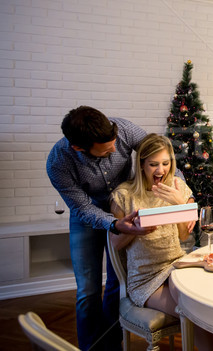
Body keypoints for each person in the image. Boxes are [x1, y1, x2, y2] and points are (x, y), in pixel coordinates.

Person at [47, 106, 155, 350]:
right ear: (78, 148)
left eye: (114, 143)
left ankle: (111, 342)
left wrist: (183, 189)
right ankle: (90, 347)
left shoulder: (124, 129)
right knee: (88, 289)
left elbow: (158, 151)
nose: (116, 150)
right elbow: (83, 208)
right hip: (86, 218)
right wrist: (115, 224)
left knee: (117, 282)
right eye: (106, 151)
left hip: (123, 209)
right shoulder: (58, 163)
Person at [109, 134, 213, 351]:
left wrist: (180, 204)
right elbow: (115, 244)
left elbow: (182, 237)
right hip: (146, 278)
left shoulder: (177, 188)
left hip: (176, 266)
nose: (160, 170)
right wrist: (136, 230)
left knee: (203, 308)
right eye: (153, 164)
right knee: (194, 314)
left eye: (165, 163)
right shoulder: (124, 195)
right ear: (141, 164)